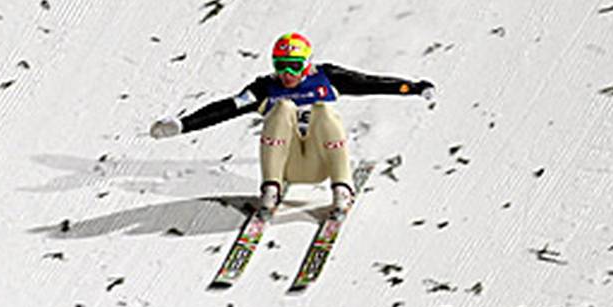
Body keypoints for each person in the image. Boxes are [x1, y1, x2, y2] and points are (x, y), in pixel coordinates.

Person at [150, 32, 434, 214]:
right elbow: (227, 108)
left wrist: (414, 87)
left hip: (323, 161)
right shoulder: (265, 88)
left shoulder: (327, 77)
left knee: (323, 111)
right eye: (280, 66)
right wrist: (183, 124)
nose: (287, 74)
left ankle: (341, 187)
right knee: (282, 107)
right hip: (286, 166)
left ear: (307, 65)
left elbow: (370, 83)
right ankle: (271, 188)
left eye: (294, 66)